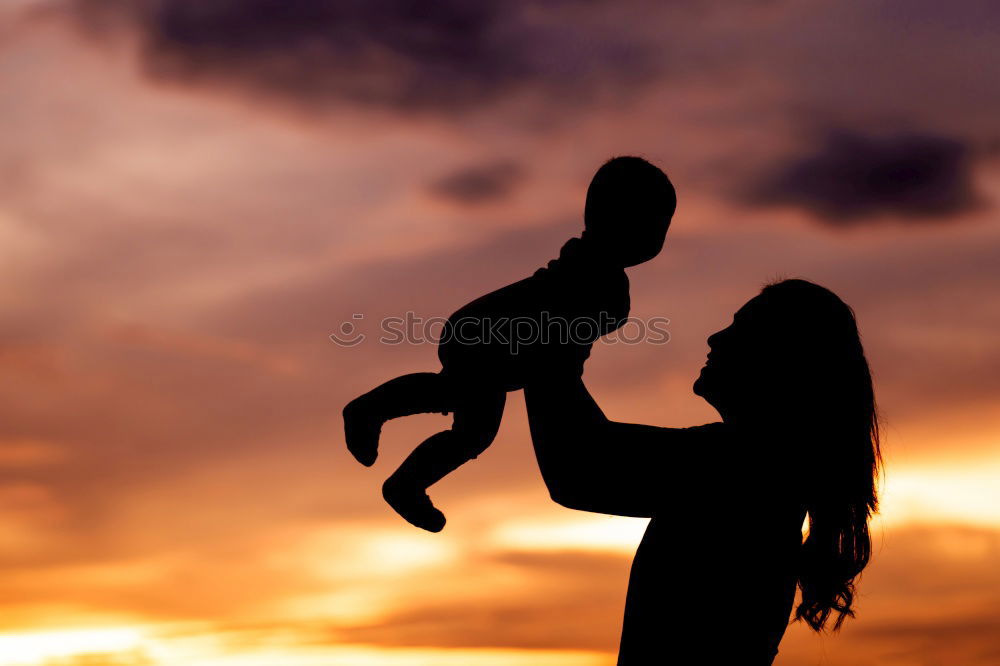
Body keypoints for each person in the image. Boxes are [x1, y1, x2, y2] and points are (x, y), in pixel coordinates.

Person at [524, 279, 881, 664]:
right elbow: (585, 463)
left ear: (780, 360)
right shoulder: (764, 472)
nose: (715, 337)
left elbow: (581, 468)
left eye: (742, 329)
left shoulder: (743, 466)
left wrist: (546, 344)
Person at [343, 156, 677, 532]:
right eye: (651, 224)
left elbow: (569, 344)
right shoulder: (592, 273)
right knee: (462, 413)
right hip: (487, 337)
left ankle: (401, 475)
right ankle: (379, 431)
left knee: (464, 418)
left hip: (491, 342)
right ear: (609, 218)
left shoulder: (597, 273)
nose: (654, 238)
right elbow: (565, 345)